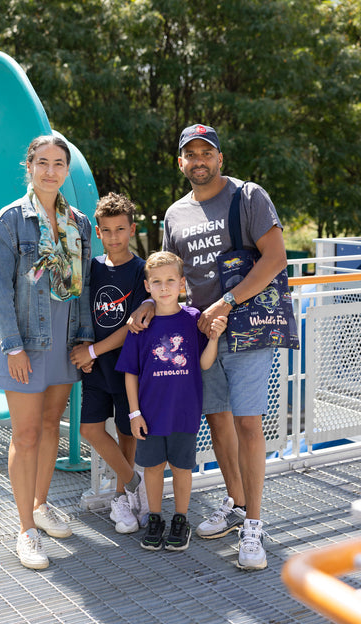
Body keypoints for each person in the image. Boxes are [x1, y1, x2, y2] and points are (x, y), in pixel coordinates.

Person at [128, 123, 288, 569]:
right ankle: (236, 503)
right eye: (190, 154)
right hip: (200, 337)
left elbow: (276, 258)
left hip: (248, 329)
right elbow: (168, 276)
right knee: (218, 424)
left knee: (249, 426)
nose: (199, 160)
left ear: (220, 158)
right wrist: (145, 303)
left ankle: (254, 526)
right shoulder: (174, 214)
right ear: (180, 162)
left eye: (207, 152)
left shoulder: (248, 196)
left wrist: (225, 301)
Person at [0, 135, 94, 570]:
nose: (51, 171)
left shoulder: (80, 224)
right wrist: (12, 346)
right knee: (26, 435)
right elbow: (0, 289)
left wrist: (84, 339)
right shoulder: (10, 221)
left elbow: (83, 288)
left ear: (67, 170)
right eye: (43, 162)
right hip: (25, 345)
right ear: (29, 166)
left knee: (51, 424)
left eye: (59, 163)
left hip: (64, 341)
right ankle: (25, 530)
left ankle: (40, 505)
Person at [116, 251, 227, 552]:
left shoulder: (193, 320)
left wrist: (214, 338)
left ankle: (180, 519)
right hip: (149, 414)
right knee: (152, 468)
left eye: (170, 281)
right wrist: (135, 413)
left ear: (181, 284)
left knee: (181, 467)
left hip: (184, 412)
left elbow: (204, 364)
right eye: (157, 282)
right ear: (147, 286)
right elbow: (130, 373)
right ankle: (155, 517)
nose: (163, 288)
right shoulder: (141, 325)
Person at [69, 192, 149, 534]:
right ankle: (133, 483)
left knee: (126, 431)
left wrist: (93, 351)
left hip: (127, 366)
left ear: (131, 230)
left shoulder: (141, 270)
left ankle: (122, 499)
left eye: (121, 229)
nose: (114, 236)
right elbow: (84, 310)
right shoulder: (91, 268)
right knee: (89, 429)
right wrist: (85, 347)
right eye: (107, 230)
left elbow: (132, 327)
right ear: (97, 233)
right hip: (96, 367)